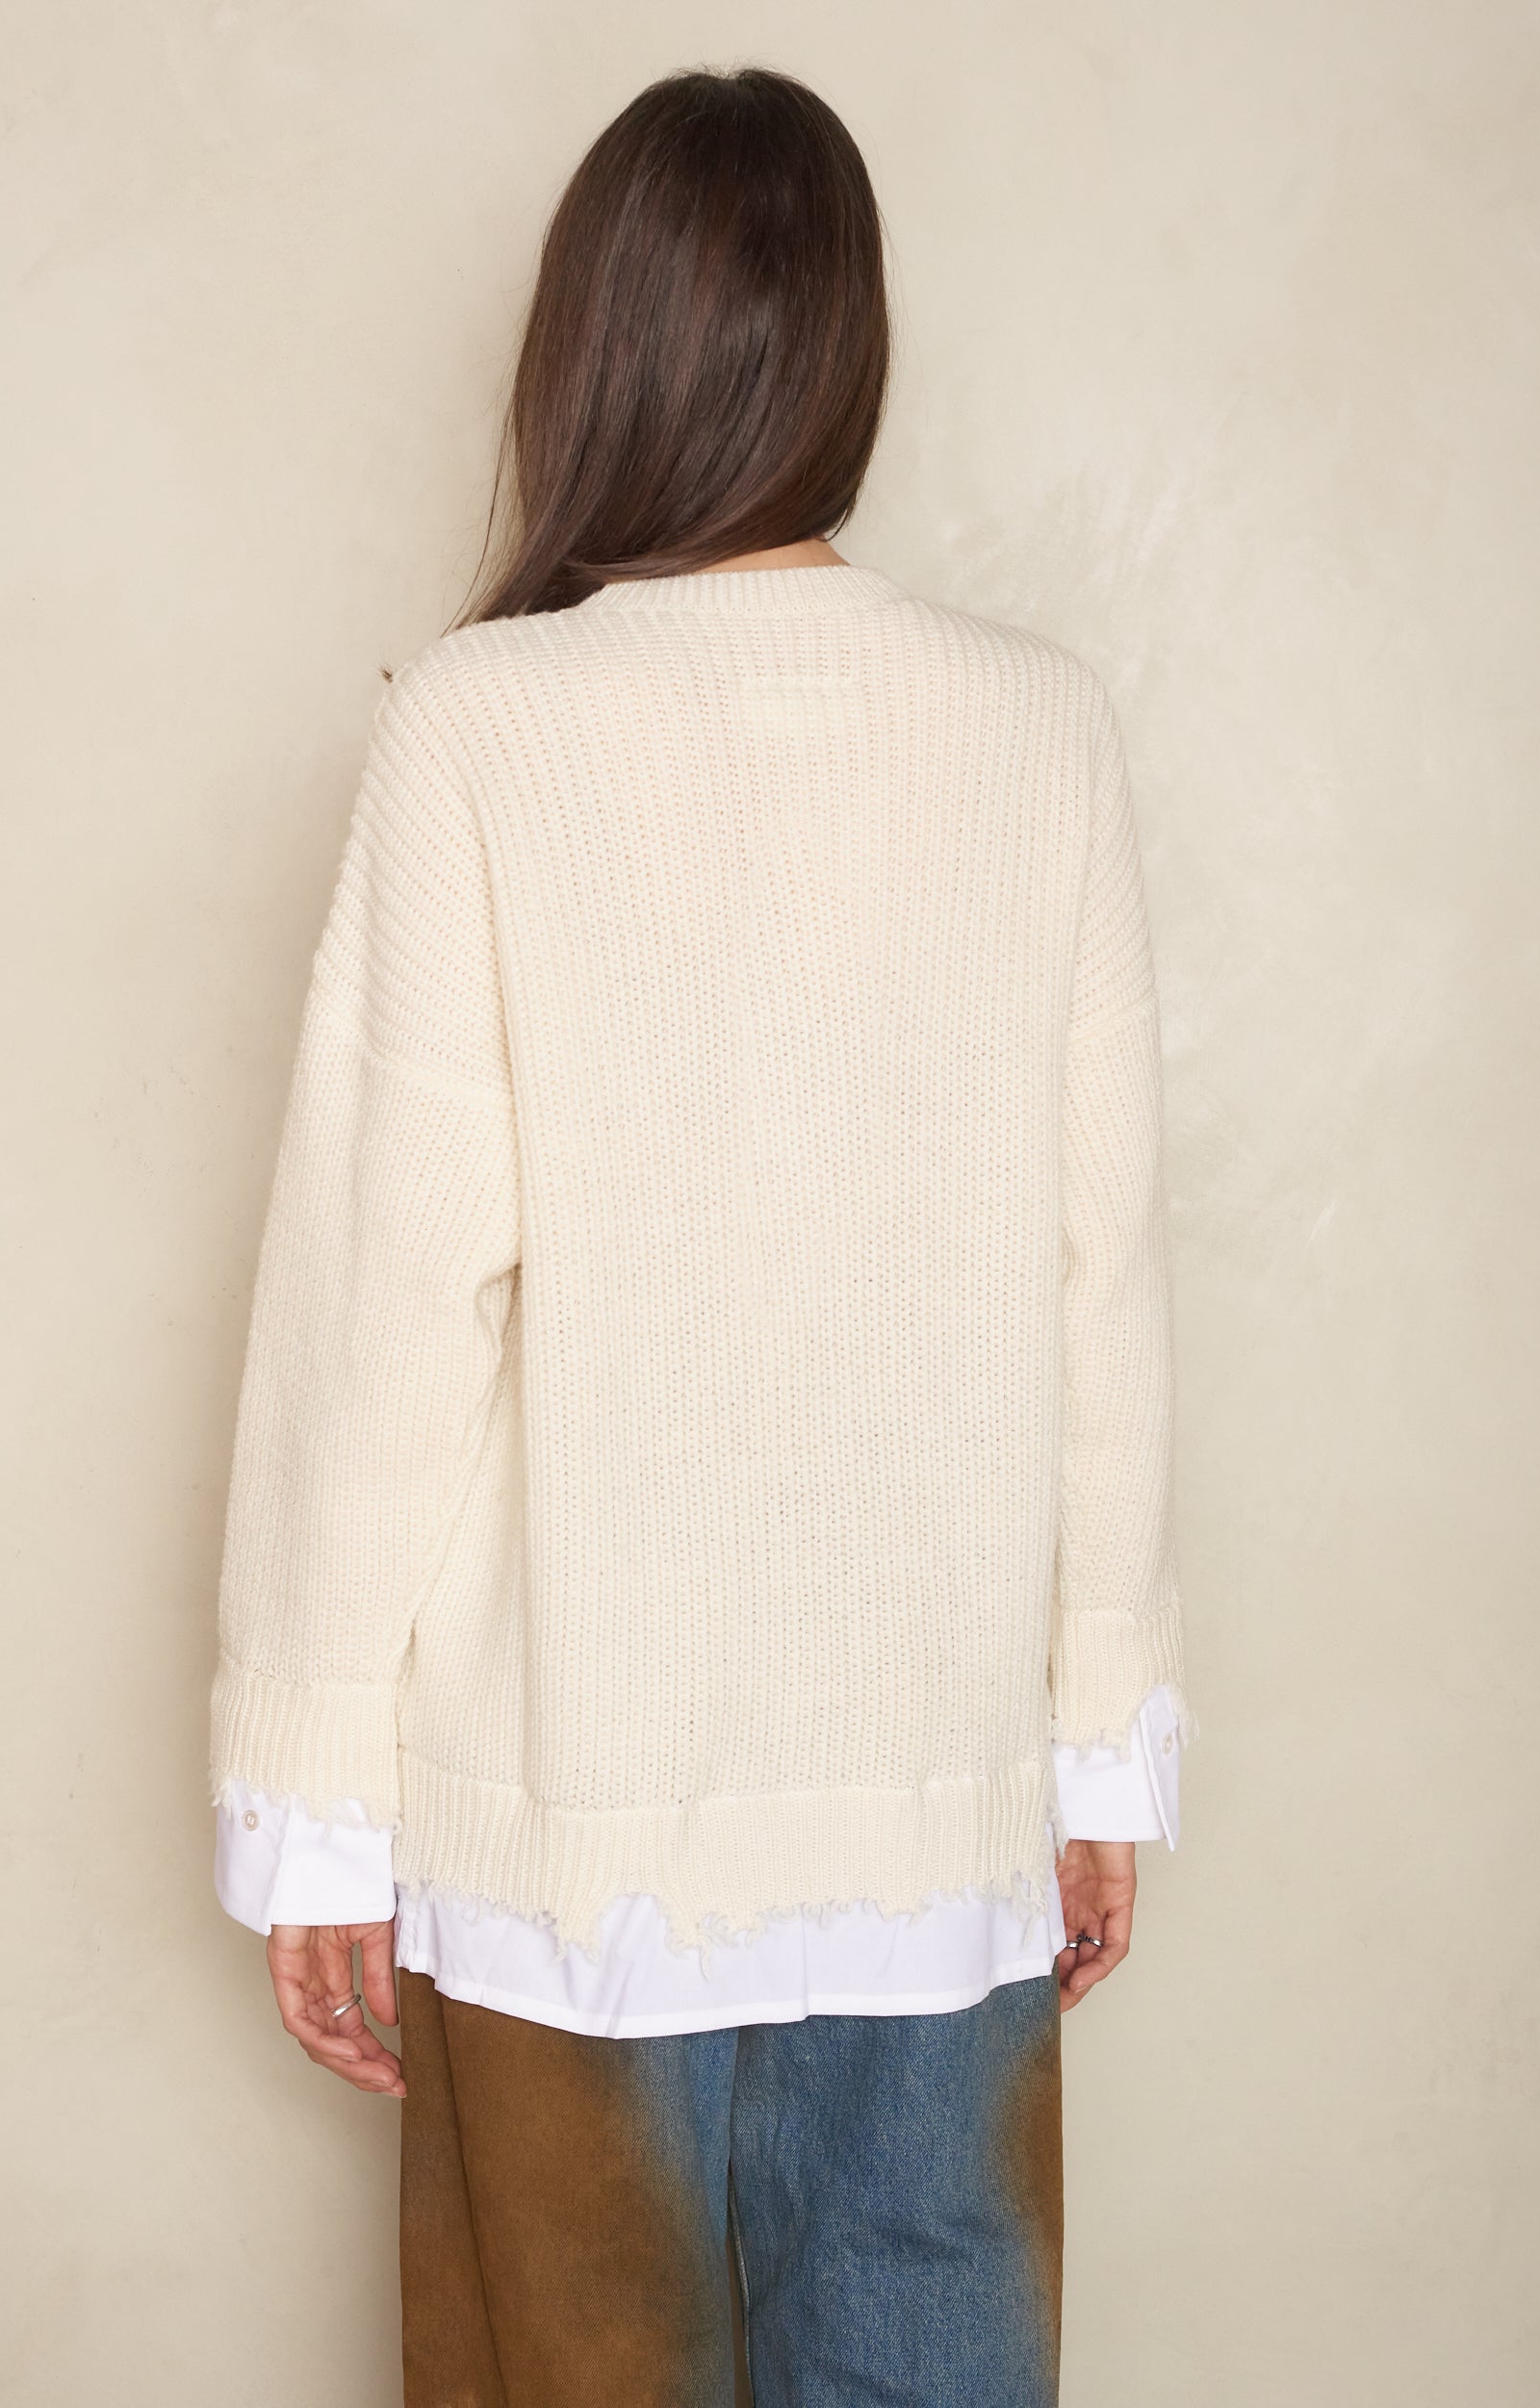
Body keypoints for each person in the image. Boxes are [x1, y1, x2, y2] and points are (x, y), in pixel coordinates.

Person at [208, 62, 1194, 2408]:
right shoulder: (1040, 730)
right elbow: (1107, 1289)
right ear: (850, 351)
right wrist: (1096, 1752)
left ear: (594, 349)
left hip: (567, 1827)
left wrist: (314, 1800)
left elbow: (384, 1307)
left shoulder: (484, 727)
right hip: (934, 1811)